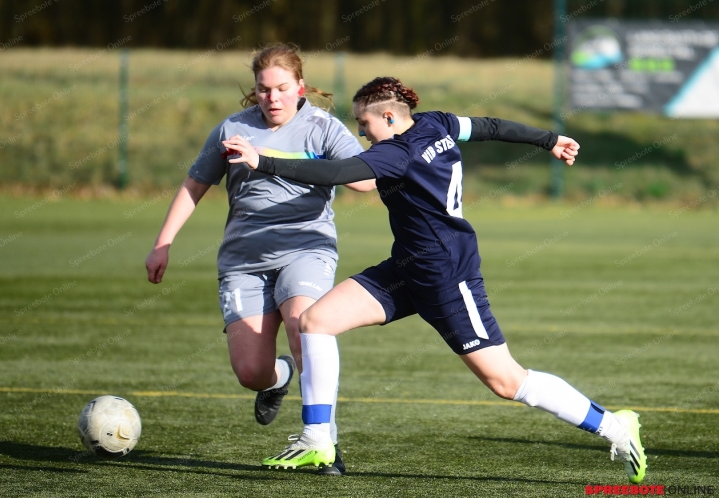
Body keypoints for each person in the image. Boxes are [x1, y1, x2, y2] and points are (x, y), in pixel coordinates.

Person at [222, 76, 647, 483]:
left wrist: (263, 162)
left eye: (364, 123)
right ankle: (318, 438)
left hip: (447, 277)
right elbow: (490, 126)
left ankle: (616, 426)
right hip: (407, 267)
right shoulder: (436, 122)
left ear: (389, 117)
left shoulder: (396, 153)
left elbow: (336, 173)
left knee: (506, 381)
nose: (362, 132)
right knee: (315, 321)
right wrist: (548, 139)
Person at [145, 44, 376, 476]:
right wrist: (163, 243)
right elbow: (194, 185)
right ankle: (279, 378)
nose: (272, 97)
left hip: (306, 249)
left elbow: (365, 180)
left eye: (282, 88)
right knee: (251, 371)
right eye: (264, 89)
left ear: (300, 87)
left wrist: (272, 161)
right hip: (243, 261)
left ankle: (324, 440)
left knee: (305, 329)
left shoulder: (322, 128)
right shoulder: (233, 128)